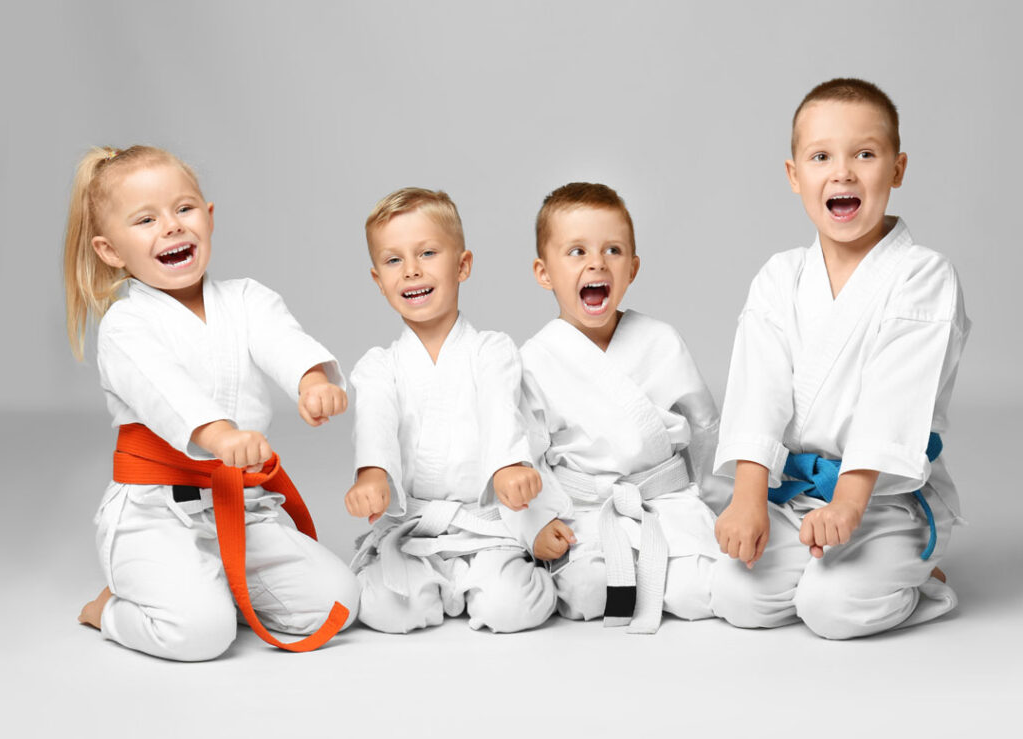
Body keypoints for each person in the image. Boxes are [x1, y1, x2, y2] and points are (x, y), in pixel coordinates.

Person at [67, 145, 359, 660]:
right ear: (110, 250)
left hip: (240, 505)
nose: (172, 227)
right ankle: (108, 609)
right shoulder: (126, 325)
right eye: (145, 219)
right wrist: (222, 437)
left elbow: (284, 341)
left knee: (339, 600)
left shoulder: (247, 299)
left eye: (184, 209)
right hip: (156, 512)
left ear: (209, 217)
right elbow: (167, 392)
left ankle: (211, 587)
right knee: (201, 636)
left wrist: (312, 381)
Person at [710, 78, 969, 639]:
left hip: (881, 499)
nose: (843, 172)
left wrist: (851, 504)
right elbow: (759, 393)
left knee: (832, 609)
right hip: (797, 497)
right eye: (821, 156)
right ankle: (816, 554)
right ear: (794, 174)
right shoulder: (781, 277)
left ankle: (918, 577)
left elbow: (891, 403)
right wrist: (750, 498)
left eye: (865, 154)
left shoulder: (922, 275)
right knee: (737, 597)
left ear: (897, 170)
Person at [510, 182, 725, 634]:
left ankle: (667, 573)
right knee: (587, 594)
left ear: (632, 268)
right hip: (586, 508)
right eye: (576, 251)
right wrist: (537, 522)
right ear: (543, 271)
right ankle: (629, 580)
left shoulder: (661, 340)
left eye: (613, 249)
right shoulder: (535, 359)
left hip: (664, 499)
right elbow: (526, 454)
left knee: (698, 593)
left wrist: (721, 502)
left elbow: (705, 426)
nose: (596, 263)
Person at [344, 187, 556, 633]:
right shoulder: (379, 367)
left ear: (462, 265)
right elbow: (375, 422)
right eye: (393, 260)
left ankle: (513, 574)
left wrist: (508, 467)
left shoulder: (490, 350)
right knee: (385, 609)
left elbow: (500, 409)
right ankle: (435, 585)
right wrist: (373, 475)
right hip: (414, 530)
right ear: (377, 280)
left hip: (484, 528)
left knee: (510, 608)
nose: (411, 271)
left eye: (427, 252)